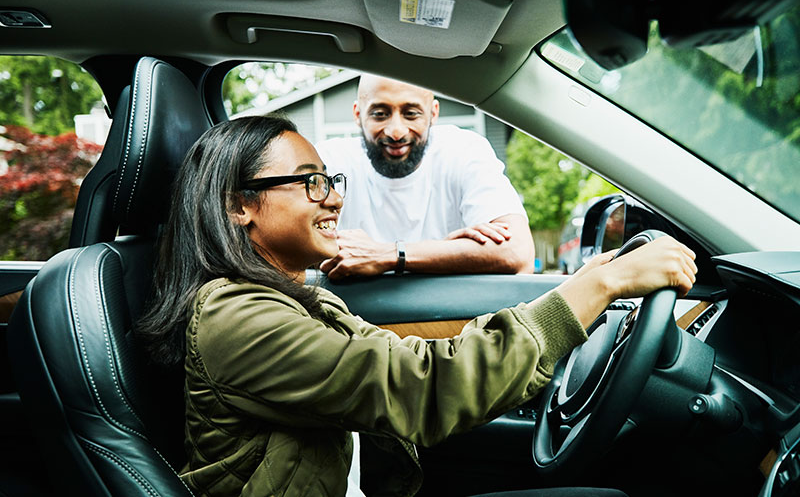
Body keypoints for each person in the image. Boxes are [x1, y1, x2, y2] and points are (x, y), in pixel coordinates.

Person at [136, 115, 697, 497]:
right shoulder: (235, 318)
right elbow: (420, 387)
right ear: (240, 207)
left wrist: (586, 286)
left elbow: (413, 355)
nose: (332, 196)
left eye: (329, 180)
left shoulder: (295, 301)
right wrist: (591, 293)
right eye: (309, 183)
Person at [315, 75, 536, 280]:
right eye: (380, 114)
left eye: (411, 113)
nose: (396, 132)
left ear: (433, 113)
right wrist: (447, 252)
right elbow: (287, 251)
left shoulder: (464, 150)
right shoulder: (330, 161)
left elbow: (517, 253)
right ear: (357, 114)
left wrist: (388, 255)